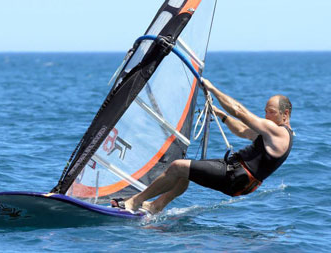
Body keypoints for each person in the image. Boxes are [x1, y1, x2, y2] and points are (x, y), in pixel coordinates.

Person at [120, 78, 293, 214]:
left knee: (177, 167)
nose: (266, 115)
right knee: (186, 171)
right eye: (265, 111)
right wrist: (221, 115)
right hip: (236, 175)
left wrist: (212, 89)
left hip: (235, 176)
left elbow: (240, 111)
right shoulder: (273, 135)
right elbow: (242, 130)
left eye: (270, 112)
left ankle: (134, 202)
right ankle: (156, 205)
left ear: (285, 114)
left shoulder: (279, 133)